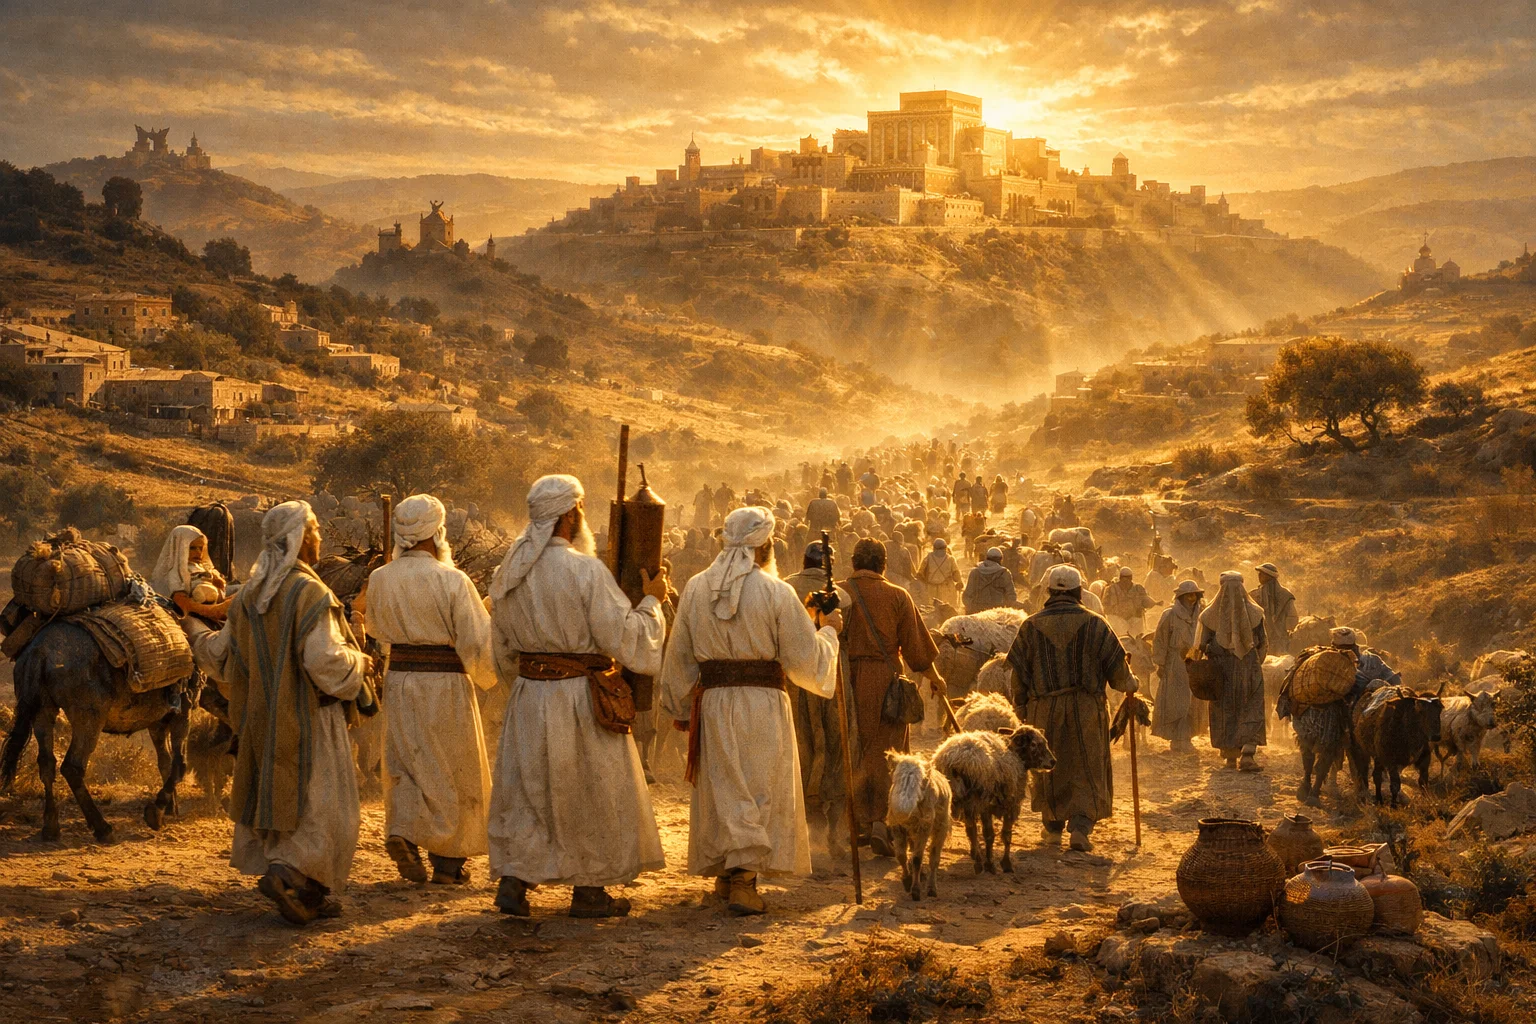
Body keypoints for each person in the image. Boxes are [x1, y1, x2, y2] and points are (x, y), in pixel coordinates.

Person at [485, 475, 671, 919]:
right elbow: (625, 638)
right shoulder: (584, 570)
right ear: (571, 515)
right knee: (590, 789)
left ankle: (515, 879)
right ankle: (589, 892)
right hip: (580, 699)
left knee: (530, 790)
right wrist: (651, 602)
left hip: (530, 695)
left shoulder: (508, 573)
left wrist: (531, 681)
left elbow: (501, 649)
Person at [188, 501, 372, 924]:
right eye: (316, 530)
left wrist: (193, 631)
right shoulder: (312, 594)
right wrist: (361, 663)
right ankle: (288, 873)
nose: (321, 538)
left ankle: (308, 894)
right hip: (312, 720)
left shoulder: (249, 596)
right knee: (326, 808)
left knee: (279, 795)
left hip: (262, 721)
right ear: (301, 539)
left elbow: (220, 657)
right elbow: (326, 663)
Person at [658, 507, 842, 916]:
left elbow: (679, 656)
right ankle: (742, 882)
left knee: (725, 786)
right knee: (757, 788)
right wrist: (829, 631)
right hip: (761, 704)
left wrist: (680, 703)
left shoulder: (695, 588)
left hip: (715, 703)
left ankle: (728, 875)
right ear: (766, 547)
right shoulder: (776, 592)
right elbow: (804, 659)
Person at [365, 494, 496, 886]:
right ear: (437, 533)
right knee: (452, 770)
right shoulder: (453, 580)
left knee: (408, 763)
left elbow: (375, 629)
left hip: (401, 680)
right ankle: (448, 865)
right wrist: (489, 673)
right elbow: (476, 641)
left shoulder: (380, 578)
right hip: (446, 685)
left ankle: (403, 831)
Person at [1005, 565, 1136, 852]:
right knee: (1086, 765)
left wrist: (1022, 706)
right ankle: (1080, 828)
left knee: (1050, 764)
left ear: (1049, 591)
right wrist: (1132, 683)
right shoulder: (1096, 624)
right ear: (1079, 591)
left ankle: (1052, 829)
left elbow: (1018, 677)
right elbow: (1119, 677)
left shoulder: (1030, 626)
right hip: (1086, 708)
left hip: (1043, 710)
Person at [840, 538, 943, 853]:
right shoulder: (898, 596)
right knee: (889, 752)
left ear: (855, 563)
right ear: (882, 565)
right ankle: (882, 823)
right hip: (887, 684)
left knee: (852, 749)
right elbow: (916, 651)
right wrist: (935, 678)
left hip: (845, 682)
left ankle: (852, 824)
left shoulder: (839, 593)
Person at [782, 541, 853, 858]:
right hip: (830, 676)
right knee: (837, 743)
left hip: (794, 677)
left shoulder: (785, 588)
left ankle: (807, 824)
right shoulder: (840, 596)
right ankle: (831, 829)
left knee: (800, 742)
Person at [1197, 571, 1269, 772]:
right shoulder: (1255, 613)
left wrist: (1215, 653)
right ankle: (1247, 754)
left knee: (1225, 710)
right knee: (1250, 707)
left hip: (1222, 672)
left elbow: (1202, 645)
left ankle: (1230, 757)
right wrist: (1253, 662)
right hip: (1249, 670)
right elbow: (1263, 643)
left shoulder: (1209, 615)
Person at [1151, 580, 1204, 754]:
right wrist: (1160, 663)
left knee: (1192, 701)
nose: (1191, 599)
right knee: (1175, 701)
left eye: (1194, 595)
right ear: (1180, 597)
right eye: (1188, 595)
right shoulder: (1170, 615)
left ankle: (1186, 737)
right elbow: (1160, 640)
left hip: (1195, 663)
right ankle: (1175, 738)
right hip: (1175, 663)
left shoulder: (1202, 616)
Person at [151, 524, 230, 621]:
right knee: (197, 629)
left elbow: (218, 585)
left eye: (201, 548)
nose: (198, 552)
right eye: (192, 548)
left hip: (213, 603)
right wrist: (210, 610)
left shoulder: (203, 567)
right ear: (180, 548)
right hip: (190, 614)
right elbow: (182, 602)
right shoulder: (176, 572)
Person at [1331, 627, 1401, 693]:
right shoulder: (1372, 658)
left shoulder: (1336, 666)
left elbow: (1394, 680)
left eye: (1333, 646)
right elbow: (1395, 679)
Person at [1250, 563, 1299, 656]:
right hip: (1260, 639)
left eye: (1262, 574)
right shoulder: (1254, 595)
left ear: (1269, 576)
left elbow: (1292, 618)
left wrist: (1283, 630)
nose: (1259, 576)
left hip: (1280, 640)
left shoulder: (1285, 595)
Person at [1102, 567, 1156, 638]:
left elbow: (1146, 602)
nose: (1125, 581)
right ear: (1120, 578)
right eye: (1124, 578)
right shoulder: (1111, 589)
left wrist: (1154, 603)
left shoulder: (1138, 589)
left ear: (1131, 578)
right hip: (1118, 623)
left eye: (1127, 578)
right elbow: (1105, 608)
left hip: (1135, 624)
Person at [962, 547, 1017, 614]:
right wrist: (1005, 610)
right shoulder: (1004, 573)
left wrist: (971, 608)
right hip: (997, 613)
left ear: (987, 557)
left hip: (977, 613)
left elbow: (967, 595)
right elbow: (1011, 596)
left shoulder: (975, 572)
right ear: (1000, 559)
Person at [915, 537, 962, 609]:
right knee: (947, 610)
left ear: (934, 548)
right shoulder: (950, 559)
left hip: (931, 589)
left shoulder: (928, 557)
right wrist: (959, 582)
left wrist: (923, 583)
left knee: (931, 609)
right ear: (945, 548)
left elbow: (920, 573)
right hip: (946, 588)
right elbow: (956, 574)